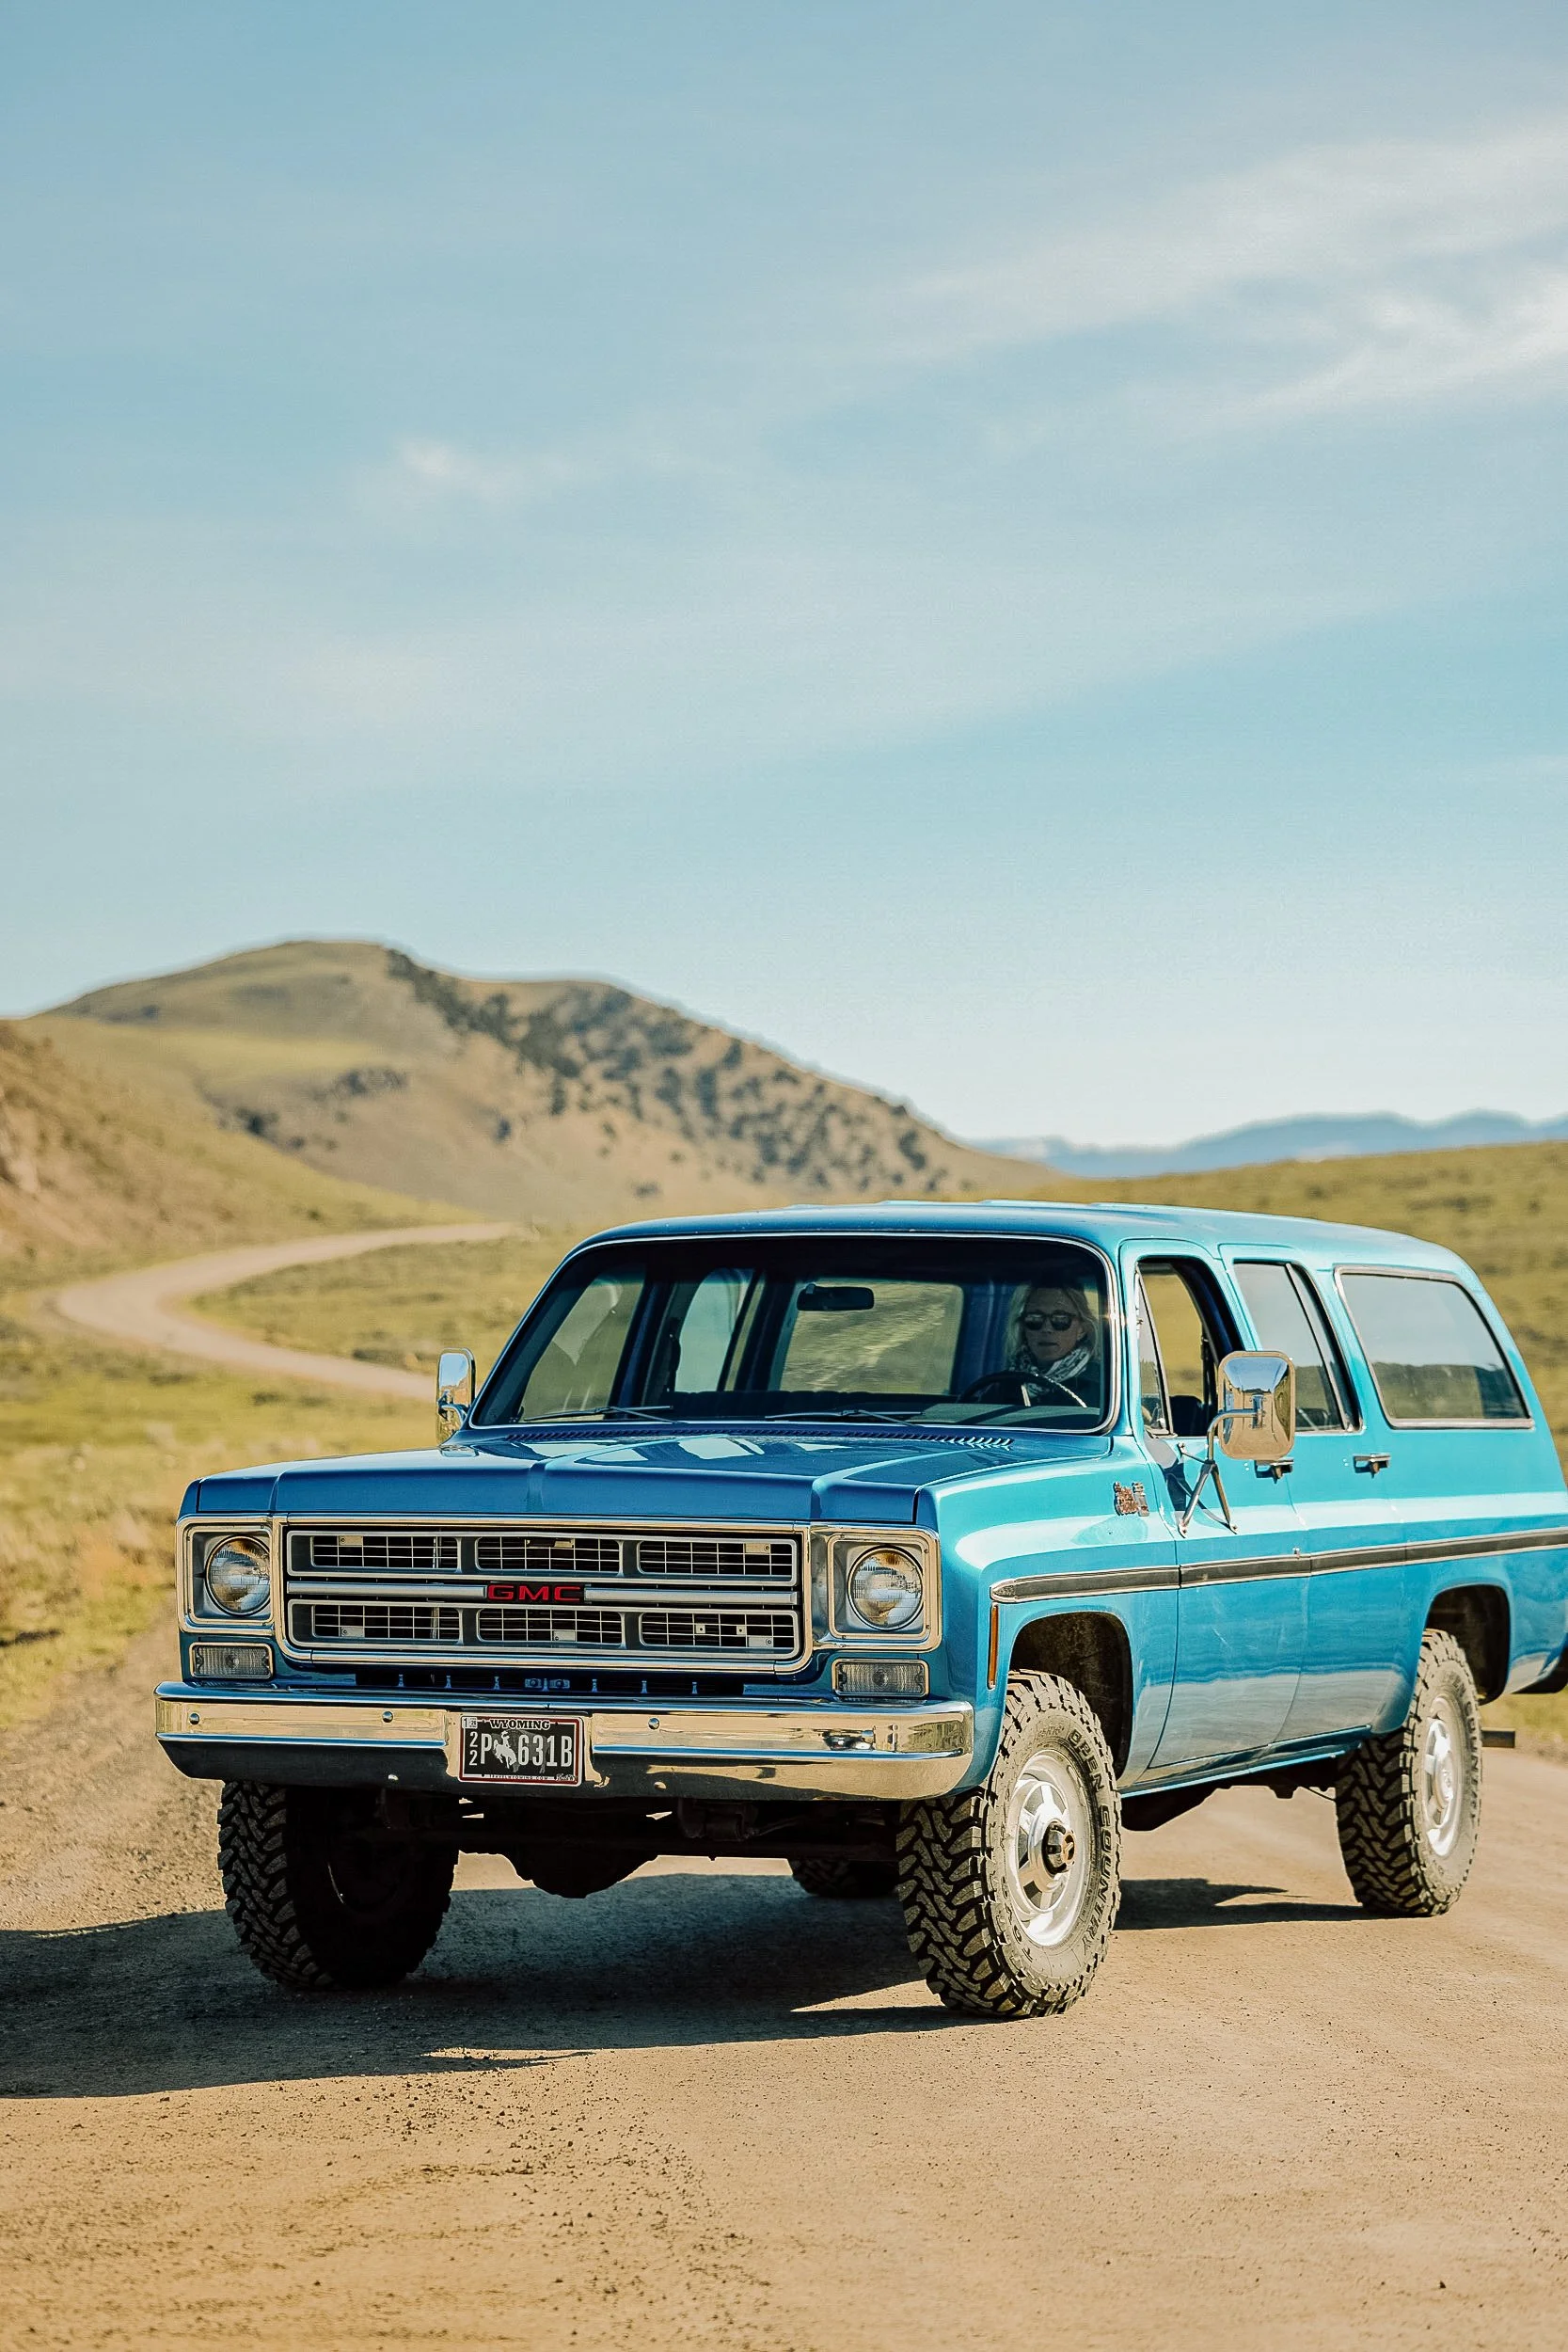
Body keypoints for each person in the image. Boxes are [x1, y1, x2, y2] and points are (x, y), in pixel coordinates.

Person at [1009, 1280, 1101, 1407]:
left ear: (1081, 1329)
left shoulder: (1105, 1388)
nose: (1046, 1328)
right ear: (1023, 1327)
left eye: (1061, 1319)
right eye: (1035, 1318)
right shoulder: (1005, 1383)